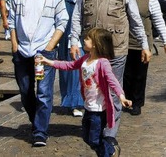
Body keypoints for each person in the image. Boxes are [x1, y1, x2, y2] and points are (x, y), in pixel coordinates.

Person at [69, 0, 150, 155]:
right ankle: (98, 128)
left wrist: (144, 45)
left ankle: (109, 136)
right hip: (92, 52)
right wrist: (73, 41)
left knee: (114, 92)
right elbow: (77, 16)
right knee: (93, 91)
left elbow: (135, 19)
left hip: (116, 51)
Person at [39, 28, 132, 156]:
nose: (84, 40)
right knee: (87, 138)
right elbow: (69, 65)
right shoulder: (85, 59)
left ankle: (108, 151)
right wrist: (49, 62)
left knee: (94, 139)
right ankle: (109, 151)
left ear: (95, 44)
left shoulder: (102, 63)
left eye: (88, 38)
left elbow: (112, 81)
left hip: (99, 111)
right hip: (88, 107)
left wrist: (122, 96)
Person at [8, 0, 69, 147]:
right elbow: (11, 22)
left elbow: (62, 22)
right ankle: (37, 121)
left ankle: (40, 131)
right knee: (25, 92)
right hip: (22, 51)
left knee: (44, 93)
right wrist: (14, 46)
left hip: (44, 51)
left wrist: (49, 47)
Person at [122, 0, 166, 116]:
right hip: (123, 41)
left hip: (141, 44)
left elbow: (158, 21)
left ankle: (137, 103)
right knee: (125, 74)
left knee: (139, 74)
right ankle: (127, 99)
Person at [58, 0, 85, 117]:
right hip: (64, 40)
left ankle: (78, 102)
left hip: (79, 39)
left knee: (78, 70)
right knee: (67, 72)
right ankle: (69, 100)